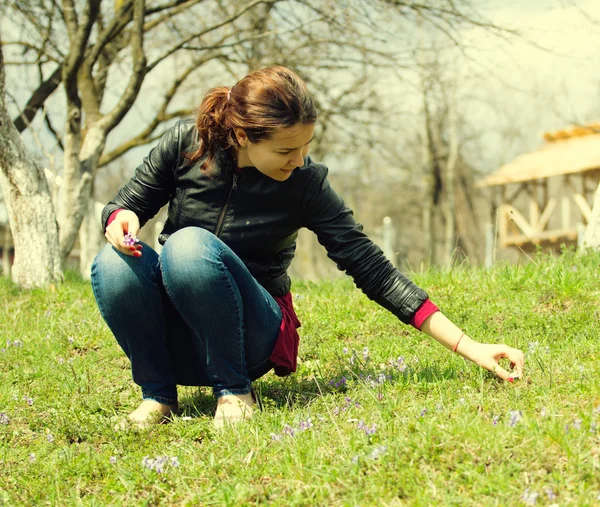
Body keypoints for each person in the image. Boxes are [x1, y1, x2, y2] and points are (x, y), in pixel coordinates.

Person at [91, 66, 525, 429]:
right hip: (178, 337)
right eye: (286, 149)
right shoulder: (185, 145)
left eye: (305, 147)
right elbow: (124, 205)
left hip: (251, 333)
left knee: (186, 247)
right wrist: (119, 220)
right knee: (112, 263)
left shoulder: (305, 184)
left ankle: (234, 393)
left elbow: (373, 269)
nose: (298, 160)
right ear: (243, 136)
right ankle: (158, 397)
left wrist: (471, 346)